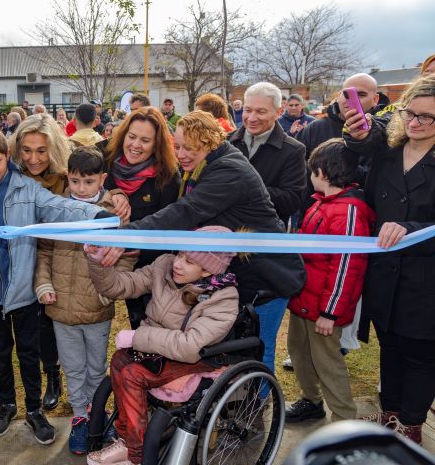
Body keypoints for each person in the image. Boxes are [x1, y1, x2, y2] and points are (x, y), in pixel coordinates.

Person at [0, 125, 111, 445]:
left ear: (7, 157)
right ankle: (6, 405)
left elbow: (60, 207)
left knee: (29, 352)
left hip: (23, 291)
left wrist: (101, 213)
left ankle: (35, 411)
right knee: (0, 351)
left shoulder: (26, 188)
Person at [113, 111, 305, 377]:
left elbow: (185, 211)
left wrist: (124, 236)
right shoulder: (206, 166)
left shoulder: (229, 171)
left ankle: (259, 410)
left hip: (268, 277)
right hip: (242, 275)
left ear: (209, 144)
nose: (180, 154)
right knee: (234, 351)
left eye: (189, 149)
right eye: (177, 146)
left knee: (260, 350)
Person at [84, 227, 239, 465]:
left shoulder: (224, 298)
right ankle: (128, 437)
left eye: (189, 261)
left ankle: (134, 454)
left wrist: (139, 337)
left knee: (132, 374)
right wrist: (99, 263)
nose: (177, 264)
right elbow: (120, 286)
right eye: (179, 254)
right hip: (158, 350)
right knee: (118, 361)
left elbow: (189, 347)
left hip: (195, 358)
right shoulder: (164, 266)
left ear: (208, 269)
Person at [344, 75, 435, 444]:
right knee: (390, 347)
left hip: (426, 279)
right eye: (410, 113)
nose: (415, 122)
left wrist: (410, 227)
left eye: (427, 118)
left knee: (419, 356)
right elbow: (361, 145)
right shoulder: (391, 152)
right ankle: (390, 415)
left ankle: (410, 426)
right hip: (385, 275)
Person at [34, 147, 136, 455]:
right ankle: (80, 417)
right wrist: (43, 284)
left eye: (89, 182)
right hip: (61, 307)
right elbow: (44, 253)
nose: (81, 189)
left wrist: (112, 287)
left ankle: (97, 413)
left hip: (97, 308)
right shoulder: (57, 209)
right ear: (68, 177)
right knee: (73, 366)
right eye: (76, 181)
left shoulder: (114, 213)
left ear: (102, 180)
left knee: (96, 366)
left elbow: (128, 254)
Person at [285, 139, 374, 424]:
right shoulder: (320, 204)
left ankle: (344, 419)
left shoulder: (348, 211)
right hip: (305, 299)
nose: (309, 177)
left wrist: (330, 312)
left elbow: (347, 265)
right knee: (300, 352)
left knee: (328, 363)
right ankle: (311, 401)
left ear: (323, 172)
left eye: (312, 171)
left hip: (323, 306)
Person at [104, 107, 180, 330]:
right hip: (111, 260)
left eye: (145, 140)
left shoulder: (167, 177)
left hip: (149, 267)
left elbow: (169, 225)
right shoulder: (107, 161)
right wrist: (114, 193)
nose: (135, 145)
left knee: (150, 322)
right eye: (132, 136)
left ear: (157, 144)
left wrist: (140, 247)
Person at [228, 82, 307, 227]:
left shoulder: (293, 150)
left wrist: (245, 189)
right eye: (248, 110)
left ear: (278, 112)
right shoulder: (225, 142)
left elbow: (291, 201)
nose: (251, 118)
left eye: (261, 112)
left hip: (265, 237)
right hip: (223, 234)